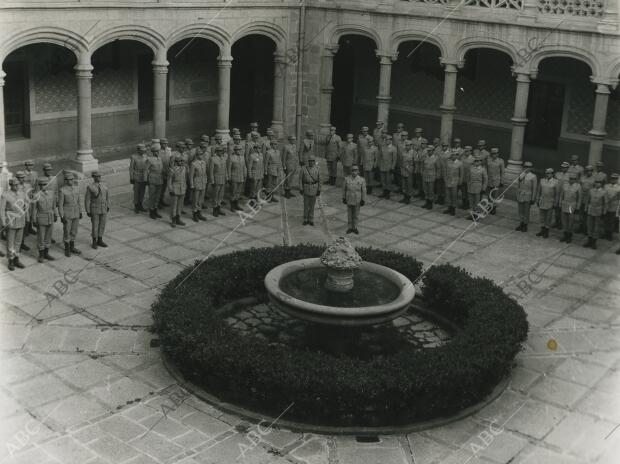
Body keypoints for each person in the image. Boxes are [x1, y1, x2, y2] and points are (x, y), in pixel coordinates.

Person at [1, 178, 28, 270]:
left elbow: (25, 206)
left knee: (18, 242)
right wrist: (4, 222)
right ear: (10, 185)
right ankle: (11, 261)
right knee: (10, 242)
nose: (17, 186)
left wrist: (26, 217)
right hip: (11, 220)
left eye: (18, 185)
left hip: (21, 220)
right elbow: (2, 210)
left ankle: (17, 259)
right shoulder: (5, 195)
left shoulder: (22, 193)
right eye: (15, 185)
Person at [31, 177, 57, 262]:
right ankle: (41, 255)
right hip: (41, 217)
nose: (43, 186)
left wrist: (56, 215)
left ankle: (46, 253)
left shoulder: (52, 193)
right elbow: (34, 209)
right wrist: (34, 220)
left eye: (45, 184)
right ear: (39, 185)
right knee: (41, 237)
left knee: (48, 236)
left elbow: (53, 206)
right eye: (41, 185)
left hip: (50, 217)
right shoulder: (36, 195)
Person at [58, 172, 82, 256]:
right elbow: (60, 204)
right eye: (69, 179)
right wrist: (61, 216)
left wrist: (80, 211)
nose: (71, 181)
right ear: (65, 181)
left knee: (74, 230)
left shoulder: (76, 188)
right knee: (67, 231)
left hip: (76, 212)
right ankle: (67, 248)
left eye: (72, 179)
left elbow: (79, 201)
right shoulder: (62, 190)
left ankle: (72, 247)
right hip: (67, 213)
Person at [85, 171, 110, 249]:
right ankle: (94, 241)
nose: (99, 178)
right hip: (95, 209)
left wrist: (108, 205)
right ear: (94, 177)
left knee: (102, 224)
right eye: (97, 176)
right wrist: (88, 210)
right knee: (95, 225)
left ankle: (100, 239)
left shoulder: (104, 185)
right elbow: (87, 200)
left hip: (103, 208)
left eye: (99, 176)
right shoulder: (90, 187)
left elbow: (107, 197)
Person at [535, 168, 559, 239]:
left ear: (552, 174)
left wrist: (556, 203)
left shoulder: (556, 182)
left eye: (549, 173)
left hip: (550, 201)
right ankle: (542, 230)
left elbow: (557, 194)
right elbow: (539, 191)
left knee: (548, 218)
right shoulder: (542, 180)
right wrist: (537, 200)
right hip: (542, 201)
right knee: (542, 217)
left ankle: (546, 232)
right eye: (546, 173)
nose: (547, 174)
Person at [343, 165, 366, 234]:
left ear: (358, 172)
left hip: (357, 200)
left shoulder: (361, 180)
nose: (354, 172)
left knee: (356, 215)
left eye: (355, 171)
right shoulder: (346, 179)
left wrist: (363, 199)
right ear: (351, 171)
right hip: (349, 198)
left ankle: (355, 227)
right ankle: (350, 227)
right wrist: (343, 197)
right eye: (353, 171)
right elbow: (344, 189)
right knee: (349, 214)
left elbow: (364, 191)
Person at [583, 180, 606, 249]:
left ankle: (594, 242)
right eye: (596, 183)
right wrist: (585, 208)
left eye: (599, 183)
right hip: (590, 210)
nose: (597, 184)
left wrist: (604, 212)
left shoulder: (604, 192)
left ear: (601, 184)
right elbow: (587, 200)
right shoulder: (591, 191)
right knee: (590, 226)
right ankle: (589, 241)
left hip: (598, 211)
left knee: (596, 227)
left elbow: (605, 203)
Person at [559, 173, 581, 243]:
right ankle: (565, 235)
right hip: (565, 204)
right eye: (570, 179)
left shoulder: (578, 186)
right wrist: (560, 203)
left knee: (570, 221)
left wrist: (578, 207)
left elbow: (579, 198)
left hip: (572, 205)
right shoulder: (565, 185)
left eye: (573, 179)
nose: (571, 180)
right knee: (564, 221)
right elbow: (561, 195)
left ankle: (569, 236)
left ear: (575, 180)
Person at [515, 161, 537, 232]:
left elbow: (534, 188)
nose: (526, 168)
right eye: (525, 166)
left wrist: (533, 198)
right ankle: (521, 223)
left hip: (528, 196)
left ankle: (525, 225)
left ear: (531, 168)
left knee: (526, 211)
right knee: (520, 210)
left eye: (528, 167)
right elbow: (518, 186)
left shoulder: (533, 176)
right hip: (520, 195)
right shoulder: (521, 174)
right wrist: (517, 194)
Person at [300, 155, 321, 226]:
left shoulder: (317, 169)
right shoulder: (303, 169)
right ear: (308, 162)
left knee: (312, 205)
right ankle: (305, 219)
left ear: (314, 162)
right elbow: (300, 179)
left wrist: (319, 189)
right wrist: (301, 188)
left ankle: (311, 219)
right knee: (306, 205)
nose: (311, 162)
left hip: (314, 188)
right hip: (306, 187)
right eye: (310, 161)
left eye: (313, 161)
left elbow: (320, 180)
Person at [145, 142, 164, 220]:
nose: (157, 153)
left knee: (157, 196)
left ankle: (155, 210)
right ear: (153, 152)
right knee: (152, 196)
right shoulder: (149, 160)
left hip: (159, 179)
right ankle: (151, 211)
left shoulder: (160, 158)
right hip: (152, 179)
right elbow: (146, 171)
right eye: (156, 151)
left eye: (158, 151)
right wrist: (147, 180)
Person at [168, 155, 187, 227]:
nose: (181, 162)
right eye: (180, 161)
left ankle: (178, 218)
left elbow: (185, 179)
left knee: (180, 205)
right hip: (175, 189)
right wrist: (170, 190)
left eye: (182, 161)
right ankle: (173, 219)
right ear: (176, 162)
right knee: (174, 205)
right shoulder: (172, 169)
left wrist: (185, 187)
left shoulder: (184, 168)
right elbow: (169, 181)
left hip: (182, 188)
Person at [190, 148, 209, 221]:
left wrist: (206, 180)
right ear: (196, 155)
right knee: (195, 199)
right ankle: (194, 213)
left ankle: (199, 212)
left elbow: (205, 173)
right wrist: (192, 184)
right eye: (199, 154)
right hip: (196, 182)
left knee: (201, 199)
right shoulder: (193, 164)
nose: (201, 155)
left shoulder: (204, 163)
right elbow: (191, 176)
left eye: (202, 154)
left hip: (203, 182)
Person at [443, 149, 463, 216]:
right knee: (448, 195)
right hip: (448, 181)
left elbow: (461, 174)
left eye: (455, 155)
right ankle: (449, 207)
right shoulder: (448, 162)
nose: (453, 156)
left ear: (457, 156)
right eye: (452, 155)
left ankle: (453, 209)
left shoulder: (460, 163)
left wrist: (460, 182)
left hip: (455, 181)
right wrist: (445, 179)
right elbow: (445, 172)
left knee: (454, 195)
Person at [209, 145, 228, 216]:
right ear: (216, 152)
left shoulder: (224, 158)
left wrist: (227, 177)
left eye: (221, 151)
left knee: (221, 195)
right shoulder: (213, 159)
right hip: (216, 179)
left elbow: (225, 168)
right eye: (219, 151)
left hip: (223, 178)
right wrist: (212, 180)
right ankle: (215, 209)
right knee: (215, 195)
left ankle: (219, 208)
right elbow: (211, 171)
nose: (221, 152)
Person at [227, 145, 247, 212]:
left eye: (240, 150)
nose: (239, 151)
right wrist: (229, 178)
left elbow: (244, 167)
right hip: (234, 177)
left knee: (238, 192)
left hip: (241, 177)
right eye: (237, 150)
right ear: (235, 150)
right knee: (233, 192)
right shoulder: (231, 158)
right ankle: (232, 206)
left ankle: (236, 205)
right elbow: (229, 169)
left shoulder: (242, 157)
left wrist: (245, 175)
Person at [129, 143, 148, 213]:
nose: (143, 151)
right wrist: (131, 178)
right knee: (136, 192)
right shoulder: (134, 157)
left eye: (144, 150)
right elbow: (131, 168)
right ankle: (136, 206)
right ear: (138, 150)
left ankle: (140, 204)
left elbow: (147, 168)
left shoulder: (146, 156)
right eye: (142, 150)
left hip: (144, 176)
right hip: (136, 176)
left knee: (142, 192)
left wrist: (147, 177)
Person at [578, 165, 595, 234]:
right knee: (581, 213)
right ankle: (581, 227)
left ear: (592, 171)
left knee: (587, 214)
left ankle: (587, 228)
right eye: (587, 171)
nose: (588, 172)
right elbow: (579, 186)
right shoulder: (582, 178)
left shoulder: (594, 179)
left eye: (590, 171)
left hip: (589, 199)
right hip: (582, 198)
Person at [486, 148, 504, 215]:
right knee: (489, 195)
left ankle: (494, 208)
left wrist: (502, 181)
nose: (494, 155)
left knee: (495, 195)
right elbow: (486, 170)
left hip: (496, 181)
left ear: (498, 154)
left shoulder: (500, 161)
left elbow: (502, 172)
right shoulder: (488, 160)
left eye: (495, 153)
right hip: (489, 180)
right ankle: (489, 206)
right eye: (493, 153)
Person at [378, 135, 397, 199]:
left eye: (388, 140)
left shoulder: (393, 148)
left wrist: (392, 167)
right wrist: (379, 165)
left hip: (389, 167)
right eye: (386, 140)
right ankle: (384, 192)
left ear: (391, 140)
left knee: (388, 181)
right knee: (383, 180)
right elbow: (380, 157)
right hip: (382, 166)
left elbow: (394, 159)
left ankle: (388, 193)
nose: (387, 141)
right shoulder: (382, 147)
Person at [602, 173, 619, 240]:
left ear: (617, 180)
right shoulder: (606, 186)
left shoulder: (619, 188)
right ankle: (605, 233)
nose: (613, 180)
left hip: (614, 206)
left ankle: (609, 234)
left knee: (611, 221)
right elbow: (603, 195)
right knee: (605, 220)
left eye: (614, 179)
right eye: (612, 179)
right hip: (606, 206)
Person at [421, 144, 439, 209]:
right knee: (425, 190)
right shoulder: (425, 157)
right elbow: (422, 166)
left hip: (432, 176)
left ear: (433, 151)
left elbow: (438, 168)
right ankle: (427, 202)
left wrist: (436, 176)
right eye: (428, 151)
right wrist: (422, 173)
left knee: (430, 190)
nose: (429, 152)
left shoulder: (436, 158)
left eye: (430, 151)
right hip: (425, 175)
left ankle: (430, 204)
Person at [554, 162, 570, 229]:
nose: (564, 169)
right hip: (557, 193)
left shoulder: (569, 176)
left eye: (565, 167)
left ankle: (562, 224)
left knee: (563, 209)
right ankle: (556, 222)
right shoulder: (557, 174)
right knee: (556, 209)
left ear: (568, 168)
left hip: (565, 194)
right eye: (563, 167)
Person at [399, 140, 415, 204]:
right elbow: (401, 160)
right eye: (406, 145)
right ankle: (405, 197)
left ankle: (408, 198)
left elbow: (415, 162)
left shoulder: (413, 152)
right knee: (404, 185)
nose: (407, 147)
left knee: (409, 184)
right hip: (403, 170)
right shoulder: (403, 151)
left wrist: (411, 169)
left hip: (409, 170)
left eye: (408, 145)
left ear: (411, 146)